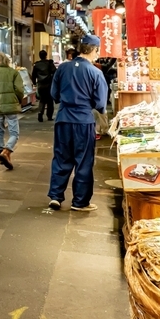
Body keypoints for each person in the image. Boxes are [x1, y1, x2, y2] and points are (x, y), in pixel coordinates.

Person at [48, 34, 108, 212]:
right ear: (94, 50)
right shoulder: (95, 72)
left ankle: (56, 197)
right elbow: (100, 103)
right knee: (83, 161)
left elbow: (54, 94)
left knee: (61, 158)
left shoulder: (62, 68)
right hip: (83, 120)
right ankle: (80, 202)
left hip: (63, 118)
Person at [0, 52, 25, 170]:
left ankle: (1, 154)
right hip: (10, 106)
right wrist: (18, 100)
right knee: (14, 133)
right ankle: (6, 151)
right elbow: (19, 90)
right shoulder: (13, 73)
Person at [31, 50, 56, 122]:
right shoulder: (49, 63)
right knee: (50, 101)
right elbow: (54, 72)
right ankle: (49, 116)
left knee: (42, 100)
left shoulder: (36, 65)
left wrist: (34, 84)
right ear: (46, 55)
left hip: (41, 85)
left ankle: (40, 113)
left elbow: (33, 76)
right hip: (49, 85)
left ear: (39, 56)